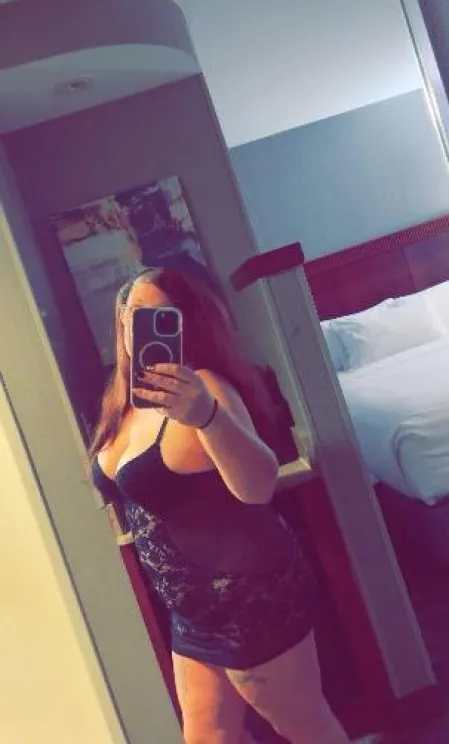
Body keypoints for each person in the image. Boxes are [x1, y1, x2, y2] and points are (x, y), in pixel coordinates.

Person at [90, 267, 349, 743]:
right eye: (134, 313)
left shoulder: (206, 388)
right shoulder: (123, 402)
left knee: (304, 725)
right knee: (208, 736)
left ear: (187, 323)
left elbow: (258, 484)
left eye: (161, 315)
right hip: (193, 611)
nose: (142, 325)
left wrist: (206, 417)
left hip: (248, 599)